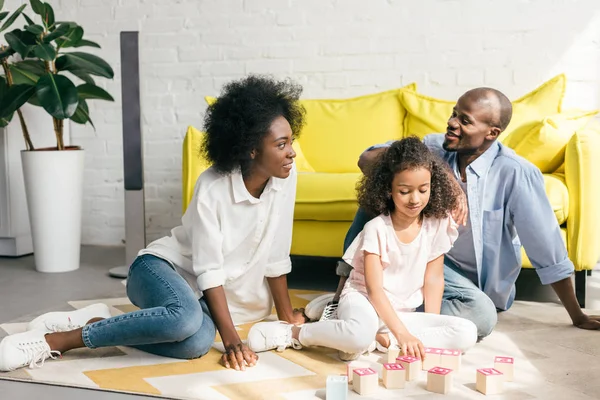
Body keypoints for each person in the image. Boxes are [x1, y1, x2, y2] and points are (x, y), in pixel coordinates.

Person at [0, 75, 308, 372]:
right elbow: (209, 270)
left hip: (198, 293)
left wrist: (285, 317)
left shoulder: (285, 179)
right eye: (281, 145)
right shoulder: (213, 187)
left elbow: (276, 253)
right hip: (159, 269)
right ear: (252, 149)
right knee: (184, 322)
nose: (292, 152)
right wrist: (232, 341)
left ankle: (99, 323)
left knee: (196, 344)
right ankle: (60, 340)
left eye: (290, 142)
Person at [308, 87, 600, 339]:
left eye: (464, 120)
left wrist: (577, 315)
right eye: (453, 114)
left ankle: (367, 311)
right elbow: (366, 159)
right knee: (383, 190)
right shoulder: (434, 148)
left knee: (482, 317)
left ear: (492, 133)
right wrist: (443, 174)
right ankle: (347, 298)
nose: (451, 123)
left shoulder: (515, 173)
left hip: (460, 282)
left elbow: (547, 250)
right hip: (408, 257)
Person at [245, 138, 478, 360]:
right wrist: (404, 335)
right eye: (405, 191)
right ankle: (293, 334)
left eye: (423, 189)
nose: (415, 199)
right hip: (364, 300)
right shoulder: (377, 229)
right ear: (388, 189)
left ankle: (375, 337)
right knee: (357, 336)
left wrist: (430, 322)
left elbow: (434, 278)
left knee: (466, 332)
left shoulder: (437, 223)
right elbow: (374, 291)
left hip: (401, 312)